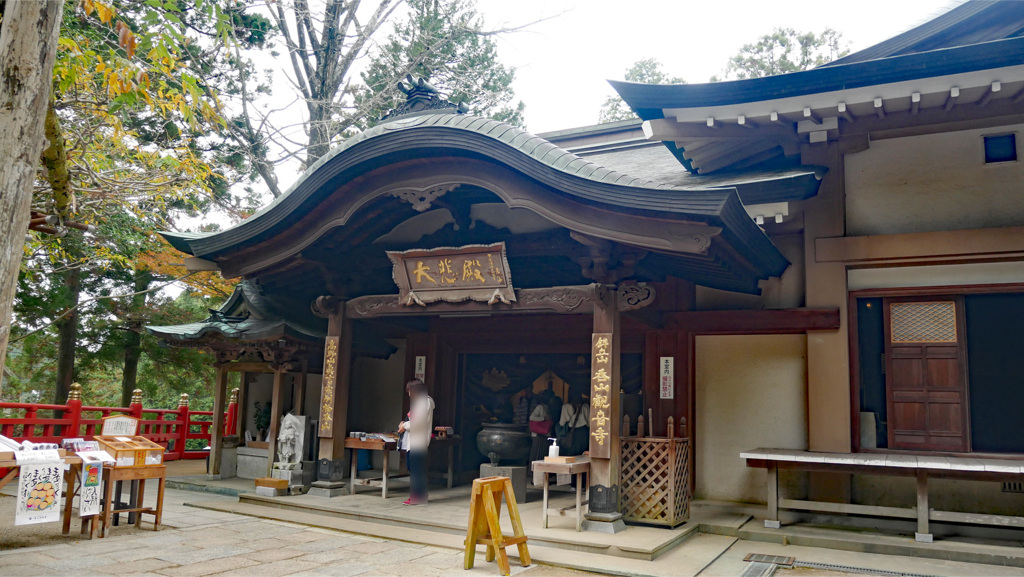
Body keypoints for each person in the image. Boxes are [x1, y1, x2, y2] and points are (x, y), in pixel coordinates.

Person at [398, 378, 434, 505]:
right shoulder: (421, 402)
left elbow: (418, 422)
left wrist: (405, 426)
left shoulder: (424, 402)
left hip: (418, 441)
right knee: (414, 468)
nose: (409, 394)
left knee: (416, 470)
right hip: (414, 441)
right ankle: (420, 494)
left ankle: (417, 496)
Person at [558, 390, 590, 456]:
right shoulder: (585, 406)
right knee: (583, 453)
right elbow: (589, 423)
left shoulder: (565, 407)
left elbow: (562, 423)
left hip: (572, 433)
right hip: (584, 433)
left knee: (572, 454)